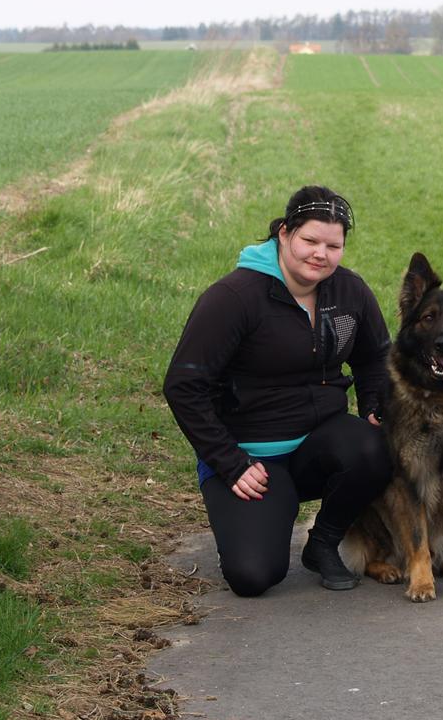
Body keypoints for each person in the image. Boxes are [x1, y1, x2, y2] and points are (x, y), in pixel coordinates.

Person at [163, 186, 391, 596]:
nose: (320, 254)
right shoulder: (233, 298)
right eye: (310, 241)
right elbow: (184, 385)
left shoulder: (350, 292)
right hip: (251, 462)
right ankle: (256, 523)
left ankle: (322, 542)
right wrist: (229, 461)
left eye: (333, 245)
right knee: (253, 576)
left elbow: (374, 356)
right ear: (284, 234)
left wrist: (374, 403)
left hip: (319, 446)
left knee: (377, 445)